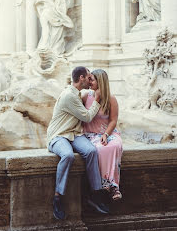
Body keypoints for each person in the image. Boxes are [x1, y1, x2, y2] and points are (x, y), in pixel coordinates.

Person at [47, 66, 109, 220]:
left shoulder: (77, 93)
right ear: (81, 78)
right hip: (59, 135)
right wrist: (97, 99)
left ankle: (95, 194)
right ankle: (58, 197)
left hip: (74, 134)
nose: (90, 80)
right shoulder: (69, 95)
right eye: (88, 77)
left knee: (91, 151)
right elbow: (87, 117)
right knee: (68, 155)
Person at [83, 69, 123, 200]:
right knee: (100, 149)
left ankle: (113, 185)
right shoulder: (86, 96)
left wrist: (106, 134)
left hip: (108, 132)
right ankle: (104, 184)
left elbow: (113, 120)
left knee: (114, 145)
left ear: (100, 82)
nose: (89, 82)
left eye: (92, 79)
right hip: (90, 134)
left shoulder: (111, 99)